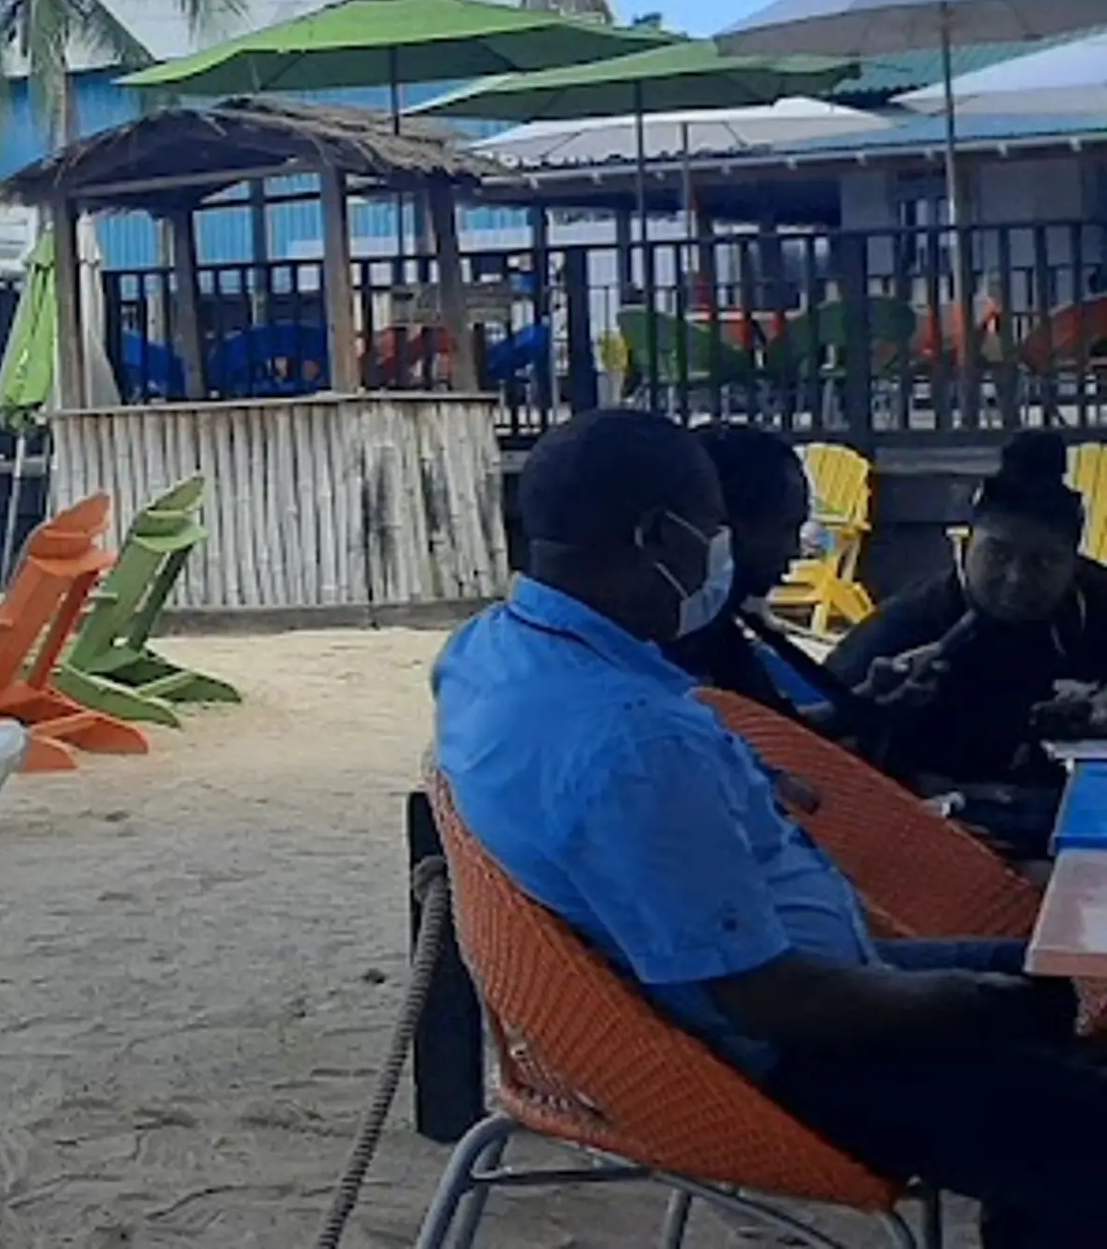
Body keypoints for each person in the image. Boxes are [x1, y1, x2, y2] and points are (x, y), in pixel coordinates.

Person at [435, 408, 1102, 1243]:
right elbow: (770, 999)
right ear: (660, 536)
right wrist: (969, 1002)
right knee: (1072, 1079)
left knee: (1068, 997)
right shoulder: (632, 739)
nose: (742, 550)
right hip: (786, 1058)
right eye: (718, 527)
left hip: (777, 990)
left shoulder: (494, 650)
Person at [830, 430, 1107, 860]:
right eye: (998, 555)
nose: (1016, 578)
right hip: (945, 841)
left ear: (1075, 563)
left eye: (1043, 563)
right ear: (963, 546)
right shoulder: (908, 630)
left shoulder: (1095, 603)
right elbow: (825, 757)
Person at [660, 422, 858, 725]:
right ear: (726, 524)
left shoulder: (718, 631)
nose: (795, 550)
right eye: (784, 529)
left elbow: (775, 735)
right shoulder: (686, 645)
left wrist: (860, 707)